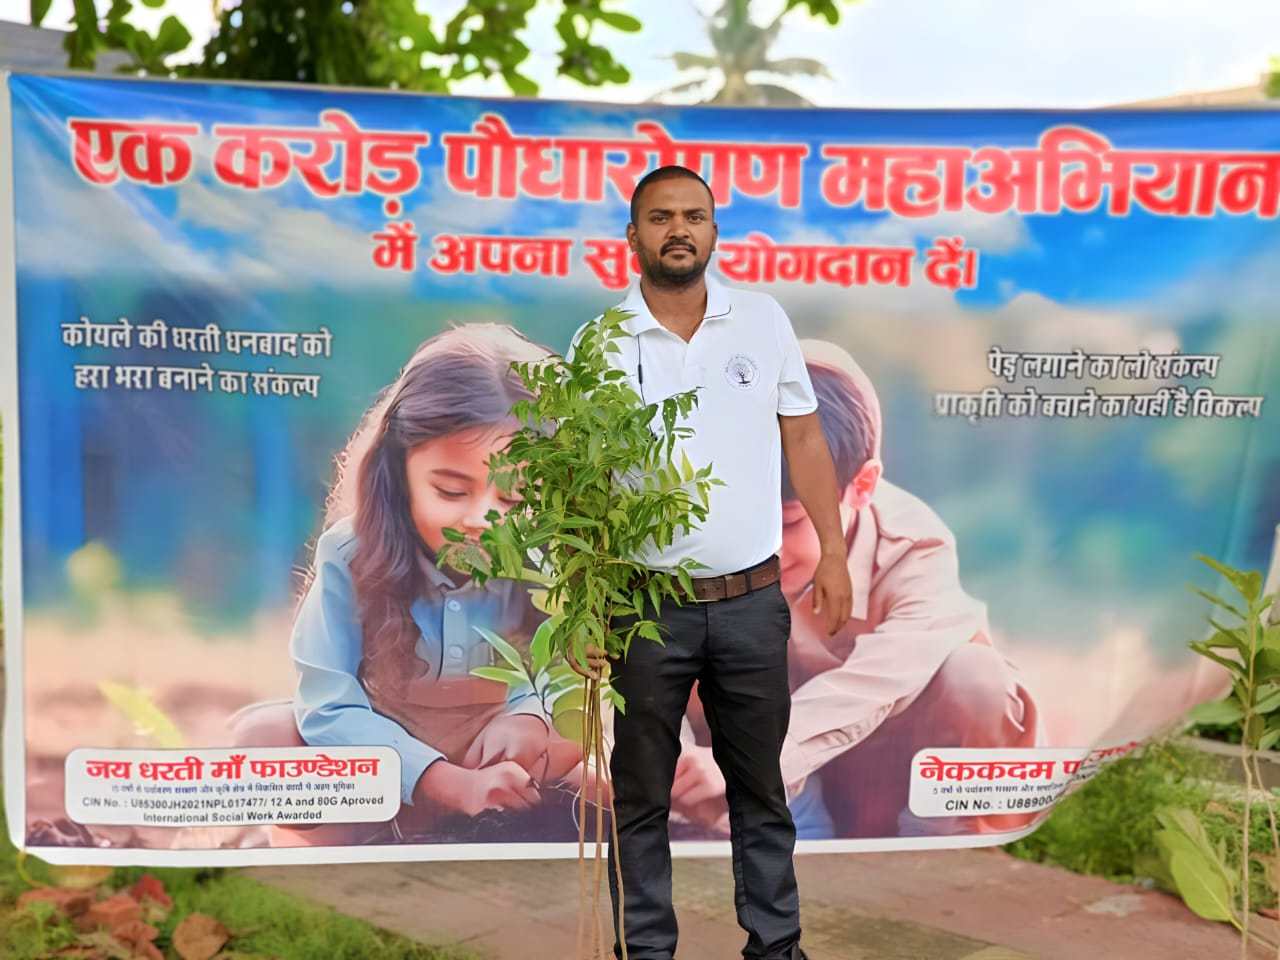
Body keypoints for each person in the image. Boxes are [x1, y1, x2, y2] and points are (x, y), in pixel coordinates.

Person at [571, 166, 852, 960]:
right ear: (632, 236)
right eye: (660, 217)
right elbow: (582, 489)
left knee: (760, 788)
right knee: (640, 797)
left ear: (715, 232)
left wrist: (832, 551)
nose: (678, 230)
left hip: (751, 602)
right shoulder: (599, 341)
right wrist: (588, 608)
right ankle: (647, 952)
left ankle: (775, 947)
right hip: (642, 606)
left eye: (694, 216)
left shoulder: (761, 322)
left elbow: (803, 434)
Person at [675, 339, 1043, 839]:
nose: (764, 551)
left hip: (886, 758)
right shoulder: (692, 526)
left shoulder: (915, 548)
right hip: (753, 762)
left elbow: (874, 685)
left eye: (790, 522)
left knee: (976, 678)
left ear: (862, 487)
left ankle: (939, 846)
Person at [232, 324, 580, 843]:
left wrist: (530, 719)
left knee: (598, 741)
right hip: (384, 763)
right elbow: (329, 706)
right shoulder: (350, 555)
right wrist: (442, 781)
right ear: (398, 474)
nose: (483, 517)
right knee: (260, 742)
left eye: (513, 499)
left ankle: (504, 814)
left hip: (500, 754)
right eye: (450, 489)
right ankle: (409, 824)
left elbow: (568, 678)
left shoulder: (547, 557)